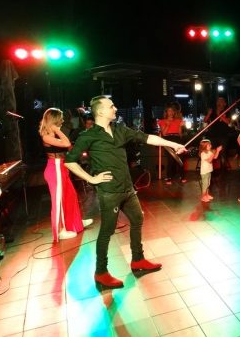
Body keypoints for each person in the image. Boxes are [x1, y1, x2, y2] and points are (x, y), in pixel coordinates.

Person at [64, 95, 186, 289]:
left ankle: (138, 260)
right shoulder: (88, 135)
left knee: (137, 219)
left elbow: (147, 138)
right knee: (107, 231)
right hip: (109, 192)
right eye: (111, 106)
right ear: (100, 111)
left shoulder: (120, 129)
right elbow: (70, 161)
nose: (115, 108)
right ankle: (101, 272)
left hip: (127, 188)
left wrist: (174, 144)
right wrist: (91, 179)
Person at [39, 108, 93, 242]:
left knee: (71, 195)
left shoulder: (54, 135)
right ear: (54, 120)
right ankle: (60, 231)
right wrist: (55, 129)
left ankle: (76, 222)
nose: (62, 121)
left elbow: (68, 146)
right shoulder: (46, 136)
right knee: (58, 202)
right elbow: (66, 143)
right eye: (60, 118)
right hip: (55, 168)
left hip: (61, 167)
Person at [157, 102, 186, 184]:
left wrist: (180, 126)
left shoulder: (178, 120)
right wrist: (167, 125)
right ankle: (169, 177)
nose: (171, 112)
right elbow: (164, 133)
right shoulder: (162, 121)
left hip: (177, 139)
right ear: (166, 112)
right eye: (169, 111)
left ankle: (182, 176)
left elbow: (180, 134)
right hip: (168, 139)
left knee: (180, 158)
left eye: (172, 111)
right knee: (170, 159)